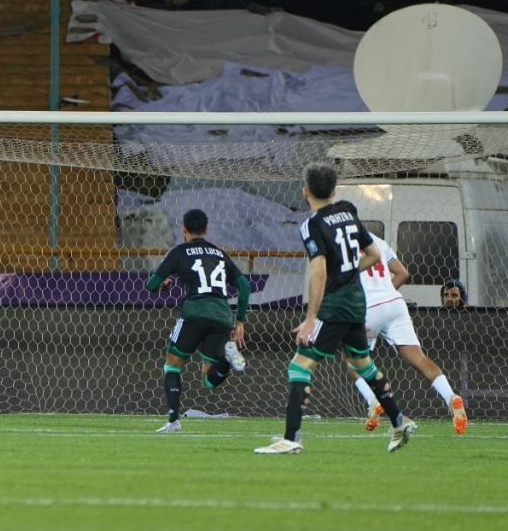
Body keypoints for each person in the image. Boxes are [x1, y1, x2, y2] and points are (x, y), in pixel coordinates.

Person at [255, 161, 415, 454]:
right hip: (356, 302)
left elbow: (318, 272)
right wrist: (347, 271)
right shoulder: (348, 213)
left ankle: (292, 438)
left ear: (305, 191)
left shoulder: (312, 225)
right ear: (333, 190)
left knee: (299, 366)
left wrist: (310, 319)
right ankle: (399, 423)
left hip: (336, 306)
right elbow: (374, 254)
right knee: (363, 365)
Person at [346, 233, 467, 434]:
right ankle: (451, 397)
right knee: (419, 358)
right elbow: (402, 273)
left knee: (353, 362)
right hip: (395, 303)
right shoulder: (378, 241)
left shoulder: (341, 243)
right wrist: (385, 294)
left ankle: (373, 401)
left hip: (367, 307)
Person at [145, 208, 250, 433]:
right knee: (208, 380)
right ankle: (227, 359)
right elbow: (244, 286)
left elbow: (151, 285)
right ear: (206, 229)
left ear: (183, 229)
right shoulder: (219, 254)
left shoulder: (179, 252)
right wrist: (240, 321)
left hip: (194, 313)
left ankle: (173, 421)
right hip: (222, 317)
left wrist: (162, 283)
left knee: (172, 366)